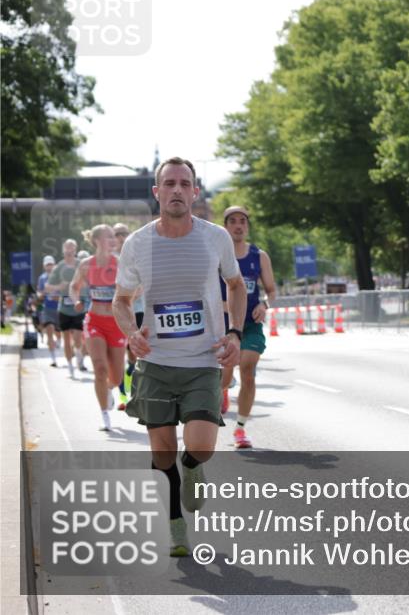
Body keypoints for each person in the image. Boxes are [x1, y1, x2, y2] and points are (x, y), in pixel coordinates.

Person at [112, 157, 245, 557]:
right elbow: (121, 301)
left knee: (201, 446)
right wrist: (132, 334)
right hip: (155, 362)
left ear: (194, 192)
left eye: (183, 184)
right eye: (168, 183)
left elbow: (236, 287)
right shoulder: (137, 243)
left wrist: (235, 332)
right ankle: (175, 526)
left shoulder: (215, 237)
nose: (175, 190)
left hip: (204, 359)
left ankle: (193, 466)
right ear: (157, 192)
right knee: (161, 451)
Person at [218, 205, 276, 449]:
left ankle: (240, 429)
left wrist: (264, 304)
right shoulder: (215, 254)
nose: (238, 225)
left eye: (243, 221)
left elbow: (272, 290)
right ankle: (222, 390)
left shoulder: (259, 256)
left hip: (250, 324)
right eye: (233, 221)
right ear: (226, 226)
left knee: (248, 370)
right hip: (220, 323)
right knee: (224, 375)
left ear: (247, 226)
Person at [70, 224, 126, 431]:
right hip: (94, 321)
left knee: (117, 376)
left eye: (114, 237)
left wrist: (131, 295)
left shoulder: (120, 264)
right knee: (100, 368)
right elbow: (74, 286)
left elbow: (136, 287)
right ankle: (104, 416)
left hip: (116, 323)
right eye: (109, 237)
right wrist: (76, 299)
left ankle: (110, 389)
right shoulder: (86, 265)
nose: (113, 241)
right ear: (96, 241)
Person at [45, 239, 86, 377]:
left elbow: (89, 281)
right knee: (67, 338)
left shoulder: (81, 264)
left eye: (72, 249)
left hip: (78, 306)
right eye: (67, 249)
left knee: (78, 339)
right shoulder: (59, 267)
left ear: (75, 250)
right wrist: (59, 287)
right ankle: (70, 366)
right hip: (63, 308)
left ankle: (79, 354)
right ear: (63, 250)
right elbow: (47, 287)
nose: (69, 251)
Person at [113, 222, 143, 410]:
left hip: (138, 311)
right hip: (117, 314)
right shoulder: (110, 260)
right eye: (117, 234)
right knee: (121, 358)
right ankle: (123, 396)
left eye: (124, 233)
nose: (121, 237)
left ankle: (133, 394)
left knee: (135, 356)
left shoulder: (137, 256)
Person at [37, 255, 61, 367]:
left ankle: (59, 340)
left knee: (58, 332)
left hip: (60, 308)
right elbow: (39, 292)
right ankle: (53, 359)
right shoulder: (42, 278)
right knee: (50, 329)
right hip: (47, 308)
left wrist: (59, 296)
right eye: (47, 265)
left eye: (51, 264)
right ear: (44, 266)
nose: (49, 267)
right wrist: (41, 295)